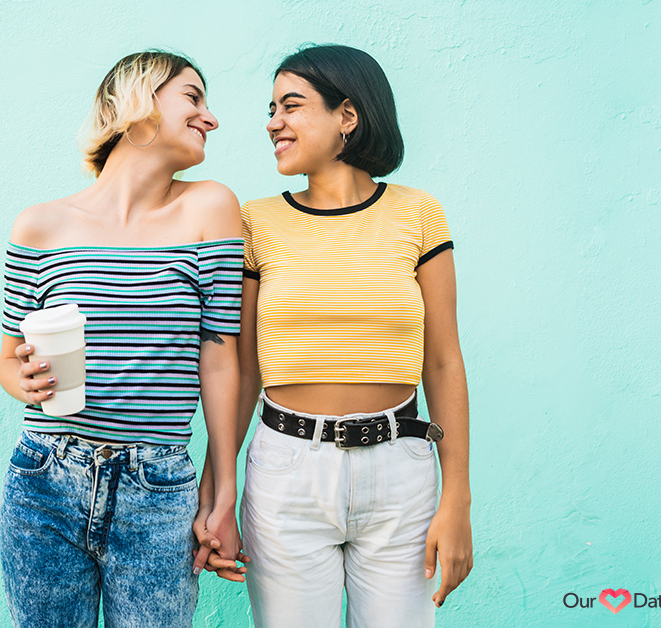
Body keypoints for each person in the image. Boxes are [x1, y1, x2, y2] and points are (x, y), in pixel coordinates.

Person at [196, 44, 474, 627]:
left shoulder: (418, 214)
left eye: (291, 105)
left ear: (347, 116)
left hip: (401, 469)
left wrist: (457, 498)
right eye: (271, 108)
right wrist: (215, 493)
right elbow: (243, 372)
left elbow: (444, 362)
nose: (273, 122)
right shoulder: (256, 221)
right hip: (285, 473)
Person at [0, 50, 245, 628]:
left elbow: (221, 358)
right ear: (135, 106)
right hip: (43, 481)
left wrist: (222, 489)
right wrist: (23, 379)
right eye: (193, 97)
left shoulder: (210, 208)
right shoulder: (39, 227)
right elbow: (8, 364)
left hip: (157, 489)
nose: (210, 117)